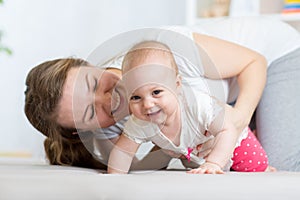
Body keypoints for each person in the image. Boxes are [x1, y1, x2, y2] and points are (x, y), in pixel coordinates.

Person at [24, 17, 300, 171]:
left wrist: (238, 119)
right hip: (220, 97)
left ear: (91, 65)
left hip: (272, 56)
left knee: (280, 164)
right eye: (90, 112)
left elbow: (254, 63)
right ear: (81, 132)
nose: (110, 99)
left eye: (94, 84)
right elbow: (139, 163)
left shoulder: (164, 48)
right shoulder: (105, 134)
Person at [107, 41, 274, 174]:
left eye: (156, 92)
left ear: (177, 84)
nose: (147, 104)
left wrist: (213, 163)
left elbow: (227, 130)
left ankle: (258, 148)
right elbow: (123, 151)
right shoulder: (139, 121)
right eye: (136, 97)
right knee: (178, 164)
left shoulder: (198, 104)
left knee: (254, 165)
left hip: (230, 136)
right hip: (192, 149)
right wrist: (114, 174)